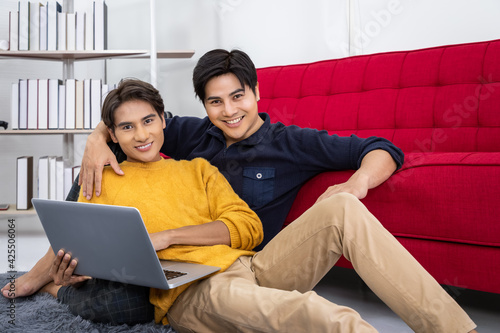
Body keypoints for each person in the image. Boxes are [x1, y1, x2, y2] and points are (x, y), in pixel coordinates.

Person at [3, 51, 478, 332]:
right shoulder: (188, 138)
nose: (228, 111)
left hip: (265, 262)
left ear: (255, 93)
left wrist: (352, 186)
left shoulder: (288, 143)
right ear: (202, 107)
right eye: (215, 101)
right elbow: (131, 122)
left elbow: (381, 148)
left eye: (237, 97)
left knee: (342, 210)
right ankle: (44, 278)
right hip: (202, 283)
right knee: (295, 310)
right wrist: (94, 140)